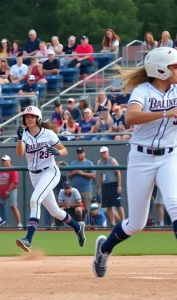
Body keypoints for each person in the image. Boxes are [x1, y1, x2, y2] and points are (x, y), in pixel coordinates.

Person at [92, 47, 177, 278]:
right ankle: (104, 249)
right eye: (174, 66)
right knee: (136, 224)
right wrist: (166, 113)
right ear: (161, 69)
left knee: (175, 204)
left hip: (170, 156)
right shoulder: (143, 91)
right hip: (141, 158)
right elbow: (130, 117)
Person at [15, 105, 86, 252]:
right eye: (27, 116)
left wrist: (57, 152)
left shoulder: (48, 134)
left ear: (38, 118)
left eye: (32, 116)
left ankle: (28, 239)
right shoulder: (25, 135)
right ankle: (78, 227)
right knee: (55, 212)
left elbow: (64, 150)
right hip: (34, 175)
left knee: (35, 200)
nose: (29, 119)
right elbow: (20, 153)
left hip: (50, 171)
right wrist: (20, 139)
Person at [0, 155, 22, 228]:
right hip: (1, 193)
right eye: (2, 161)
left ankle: (19, 224)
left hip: (11, 191)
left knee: (13, 207)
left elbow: (14, 182)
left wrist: (8, 190)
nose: (3, 162)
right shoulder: (0, 170)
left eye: (5, 161)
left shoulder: (13, 170)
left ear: (9, 161)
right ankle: (0, 220)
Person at [97, 146, 125, 226]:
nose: (103, 154)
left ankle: (123, 222)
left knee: (118, 204)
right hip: (105, 185)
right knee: (108, 206)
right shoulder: (99, 162)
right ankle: (113, 223)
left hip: (114, 184)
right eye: (102, 153)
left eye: (105, 152)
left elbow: (118, 173)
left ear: (108, 152)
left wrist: (119, 185)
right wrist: (99, 186)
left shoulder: (112, 161)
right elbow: (100, 175)